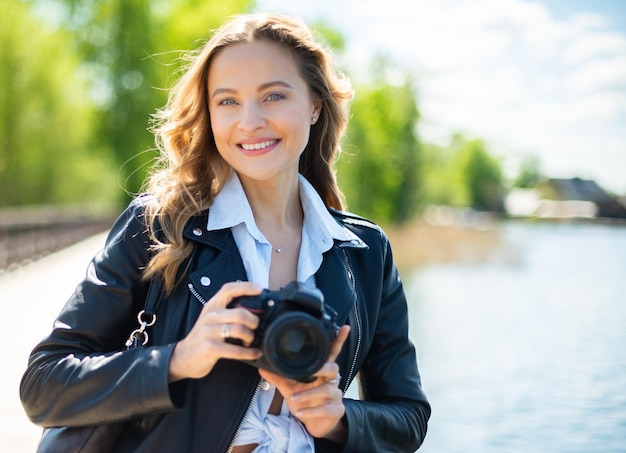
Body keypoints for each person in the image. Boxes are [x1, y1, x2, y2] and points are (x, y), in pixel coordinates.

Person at [20, 12, 430, 452]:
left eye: (273, 96)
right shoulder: (160, 228)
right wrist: (178, 359)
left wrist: (340, 418)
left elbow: (408, 416)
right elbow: (44, 385)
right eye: (227, 101)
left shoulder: (365, 253)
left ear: (314, 104)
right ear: (209, 113)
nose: (249, 121)